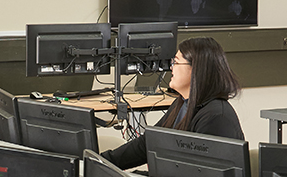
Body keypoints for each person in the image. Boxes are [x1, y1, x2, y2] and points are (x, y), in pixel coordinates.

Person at [101, 36, 245, 170]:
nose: (171, 67)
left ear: (196, 69)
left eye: (175, 62)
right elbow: (150, 142)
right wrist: (102, 162)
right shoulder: (183, 103)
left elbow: (199, 174)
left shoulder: (216, 117)